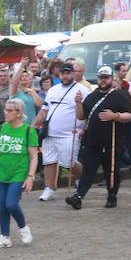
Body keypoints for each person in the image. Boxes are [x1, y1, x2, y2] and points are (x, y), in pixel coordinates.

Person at [67, 66, 131, 210]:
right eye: (101, 78)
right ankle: (78, 197)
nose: (103, 80)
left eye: (106, 77)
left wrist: (115, 116)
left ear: (111, 78)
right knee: (88, 170)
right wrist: (78, 103)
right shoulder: (92, 95)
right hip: (93, 141)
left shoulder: (119, 95)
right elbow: (81, 116)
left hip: (112, 142)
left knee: (111, 171)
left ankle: (112, 196)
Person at [0, 99, 40, 248]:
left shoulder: (28, 131)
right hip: (2, 172)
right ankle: (5, 237)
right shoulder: (2, 128)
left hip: (19, 173)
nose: (5, 113)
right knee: (1, 205)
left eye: (10, 110)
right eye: (5, 110)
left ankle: (23, 227)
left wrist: (30, 176)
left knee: (11, 203)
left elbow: (34, 156)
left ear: (19, 113)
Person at [32, 62, 85, 202]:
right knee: (49, 161)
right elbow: (44, 110)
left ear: (73, 73)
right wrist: (33, 125)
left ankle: (82, 179)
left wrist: (85, 128)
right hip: (50, 132)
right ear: (59, 74)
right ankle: (49, 188)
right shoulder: (53, 90)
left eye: (68, 73)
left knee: (69, 163)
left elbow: (88, 112)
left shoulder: (82, 90)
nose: (65, 76)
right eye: (63, 73)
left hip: (70, 133)